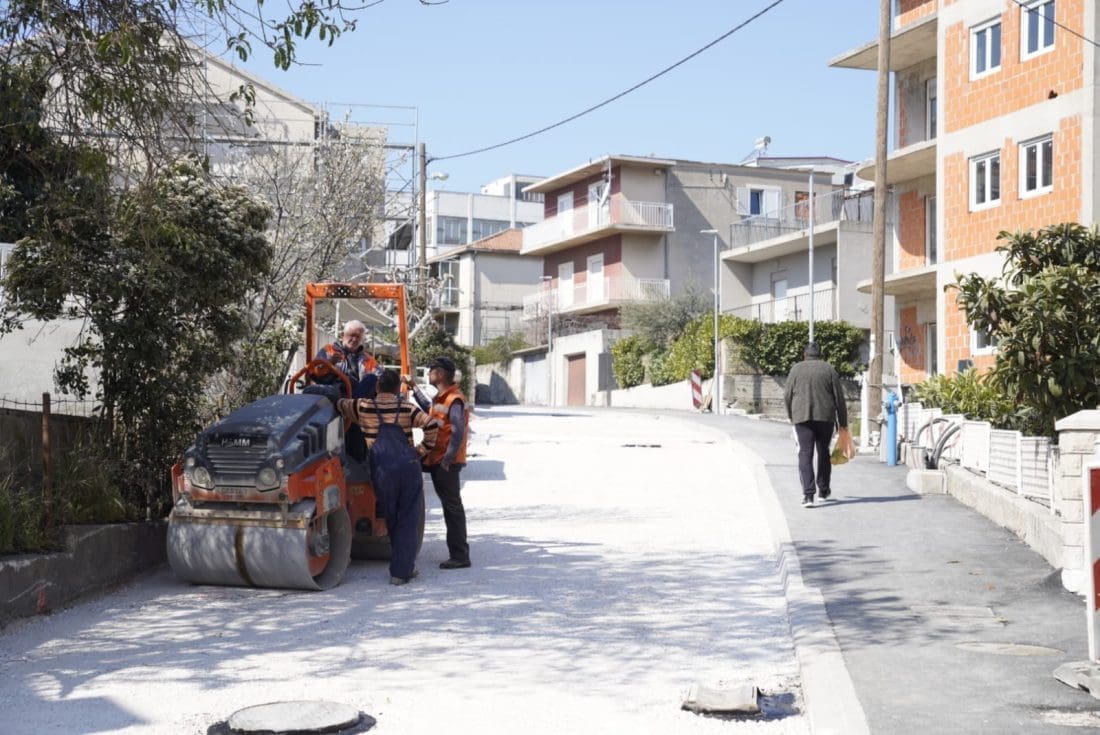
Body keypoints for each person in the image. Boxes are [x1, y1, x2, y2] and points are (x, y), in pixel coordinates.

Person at [338, 369, 440, 585]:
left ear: (377, 387)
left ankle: (402, 567)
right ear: (397, 389)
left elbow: (341, 405)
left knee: (391, 517)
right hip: (408, 467)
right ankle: (401, 572)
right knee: (408, 518)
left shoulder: (363, 407)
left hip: (383, 470)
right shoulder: (407, 407)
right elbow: (431, 424)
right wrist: (421, 451)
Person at [405, 356, 471, 569]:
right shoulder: (442, 399)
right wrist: (414, 388)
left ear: (440, 374)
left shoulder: (454, 399)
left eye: (431, 370)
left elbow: (458, 431)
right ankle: (459, 554)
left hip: (446, 461)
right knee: (451, 507)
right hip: (438, 458)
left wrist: (447, 460)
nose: (429, 374)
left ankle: (460, 556)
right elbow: (429, 409)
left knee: (452, 508)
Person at [783, 341, 849, 508]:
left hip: (801, 418)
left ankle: (808, 495)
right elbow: (839, 398)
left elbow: (787, 395)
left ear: (805, 354)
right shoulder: (829, 369)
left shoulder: (796, 369)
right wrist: (843, 422)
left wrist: (791, 415)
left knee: (805, 453)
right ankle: (823, 491)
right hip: (825, 417)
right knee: (823, 452)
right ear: (820, 355)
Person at [316, 319, 382, 390]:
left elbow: (380, 378)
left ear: (362, 339)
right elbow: (314, 373)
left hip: (358, 393)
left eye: (358, 337)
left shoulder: (368, 359)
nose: (354, 339)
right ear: (342, 335)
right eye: (352, 335)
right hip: (333, 391)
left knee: (371, 378)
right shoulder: (328, 351)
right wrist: (330, 363)